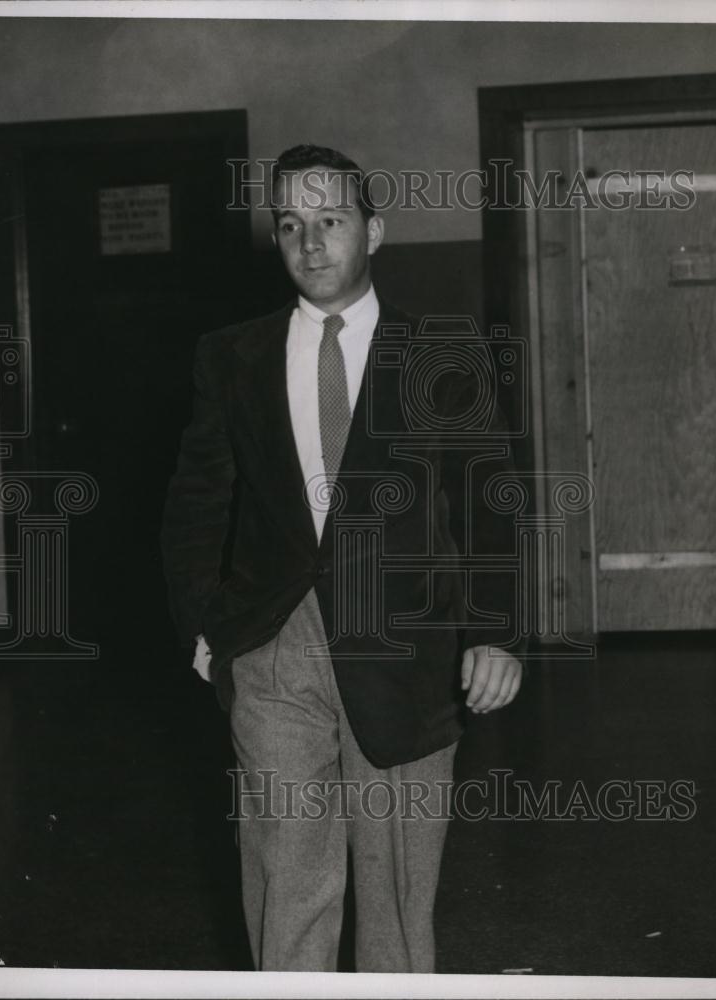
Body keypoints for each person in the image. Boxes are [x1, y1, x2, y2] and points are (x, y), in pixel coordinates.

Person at [160, 143, 523, 973]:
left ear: (375, 230)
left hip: (409, 653)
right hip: (273, 645)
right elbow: (195, 504)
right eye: (290, 224)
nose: (310, 242)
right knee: (286, 878)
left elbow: (488, 503)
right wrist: (205, 627)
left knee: (398, 896)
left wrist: (496, 634)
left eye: (330, 220)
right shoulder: (232, 355)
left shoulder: (443, 350)